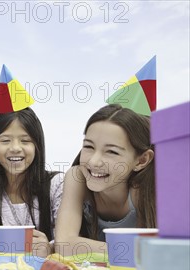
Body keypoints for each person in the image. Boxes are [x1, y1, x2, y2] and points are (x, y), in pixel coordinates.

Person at [55, 104, 155, 256]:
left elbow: (152, 252)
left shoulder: (143, 189)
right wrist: (131, 250)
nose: (94, 162)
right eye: (89, 146)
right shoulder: (77, 178)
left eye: (111, 152)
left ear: (141, 160)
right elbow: (64, 245)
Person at [0, 107, 63, 258]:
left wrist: (50, 248)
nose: (15, 148)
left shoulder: (56, 185)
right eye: (5, 140)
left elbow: (66, 240)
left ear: (37, 146)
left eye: (25, 140)